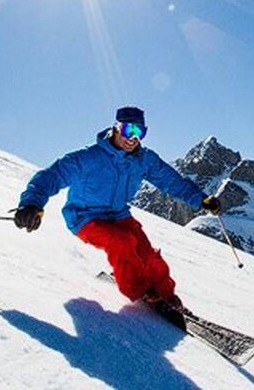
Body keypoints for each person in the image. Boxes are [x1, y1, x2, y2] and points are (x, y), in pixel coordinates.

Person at [14, 106, 221, 318]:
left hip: (118, 215)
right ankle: (140, 291)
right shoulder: (89, 158)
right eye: (128, 130)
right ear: (116, 128)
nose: (133, 138)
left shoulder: (143, 160)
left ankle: (166, 295)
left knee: (146, 253)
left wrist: (201, 199)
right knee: (121, 242)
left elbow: (172, 182)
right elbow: (52, 175)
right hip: (85, 217)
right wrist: (31, 204)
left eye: (139, 132)